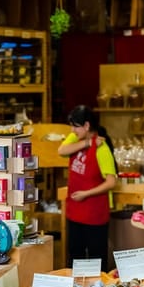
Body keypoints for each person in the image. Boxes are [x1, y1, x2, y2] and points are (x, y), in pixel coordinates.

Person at [58, 105, 117, 270]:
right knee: (74, 254)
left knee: (96, 259)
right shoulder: (76, 139)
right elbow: (62, 150)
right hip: (75, 212)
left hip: (94, 214)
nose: (72, 130)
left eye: (75, 126)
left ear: (86, 126)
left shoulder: (102, 149)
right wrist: (86, 143)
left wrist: (86, 193)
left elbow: (111, 182)